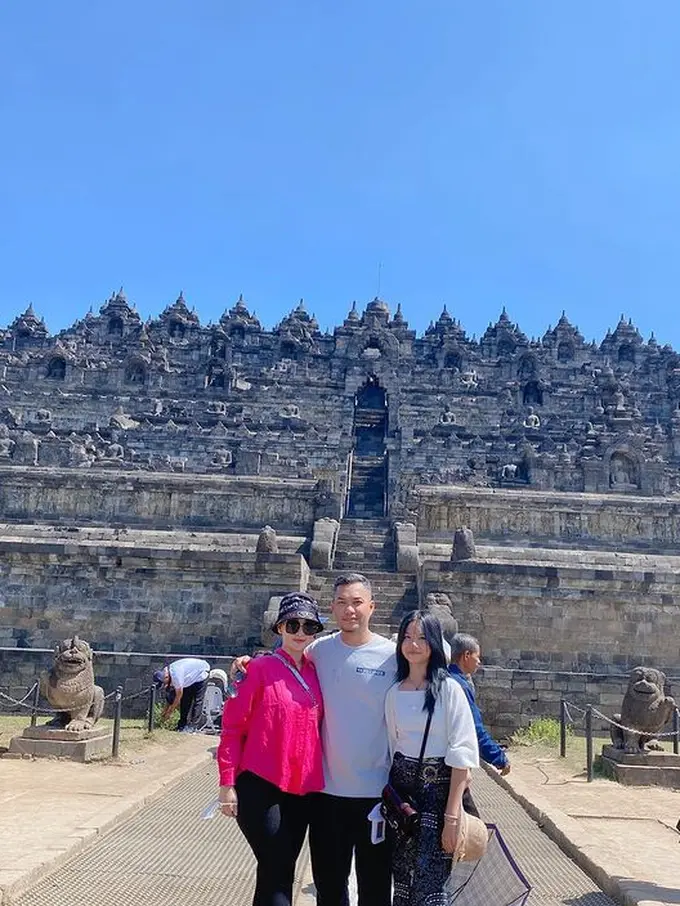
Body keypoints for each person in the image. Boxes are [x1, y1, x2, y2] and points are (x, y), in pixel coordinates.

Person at [232, 573, 395, 906]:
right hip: (325, 795)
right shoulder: (319, 651)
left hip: (377, 794)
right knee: (329, 888)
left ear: (372, 607)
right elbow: (282, 663)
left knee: (376, 888)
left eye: (357, 602)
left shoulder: (393, 657)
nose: (350, 610)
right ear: (332, 609)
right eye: (342, 603)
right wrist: (250, 663)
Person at [217, 592, 325, 906]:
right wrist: (227, 784)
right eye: (293, 625)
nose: (301, 633)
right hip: (259, 785)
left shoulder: (317, 671)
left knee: (276, 872)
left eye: (309, 627)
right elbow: (232, 729)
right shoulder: (256, 670)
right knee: (277, 865)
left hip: (302, 788)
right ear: (279, 628)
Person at [385, 610, 479, 906]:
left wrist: (452, 815)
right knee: (402, 880)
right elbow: (392, 748)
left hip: (438, 795)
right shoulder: (393, 693)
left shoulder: (449, 690)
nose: (413, 644)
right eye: (408, 637)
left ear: (435, 644)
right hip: (404, 799)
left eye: (422, 638)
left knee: (433, 884)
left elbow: (462, 752)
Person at [153, 656, 210, 732]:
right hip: (190, 677)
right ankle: (182, 726)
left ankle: (193, 727)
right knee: (185, 700)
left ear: (166, 677)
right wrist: (165, 710)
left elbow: (178, 697)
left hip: (201, 672)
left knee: (197, 701)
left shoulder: (176, 676)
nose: (165, 685)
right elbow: (172, 698)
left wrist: (169, 712)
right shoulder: (166, 672)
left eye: (164, 683)